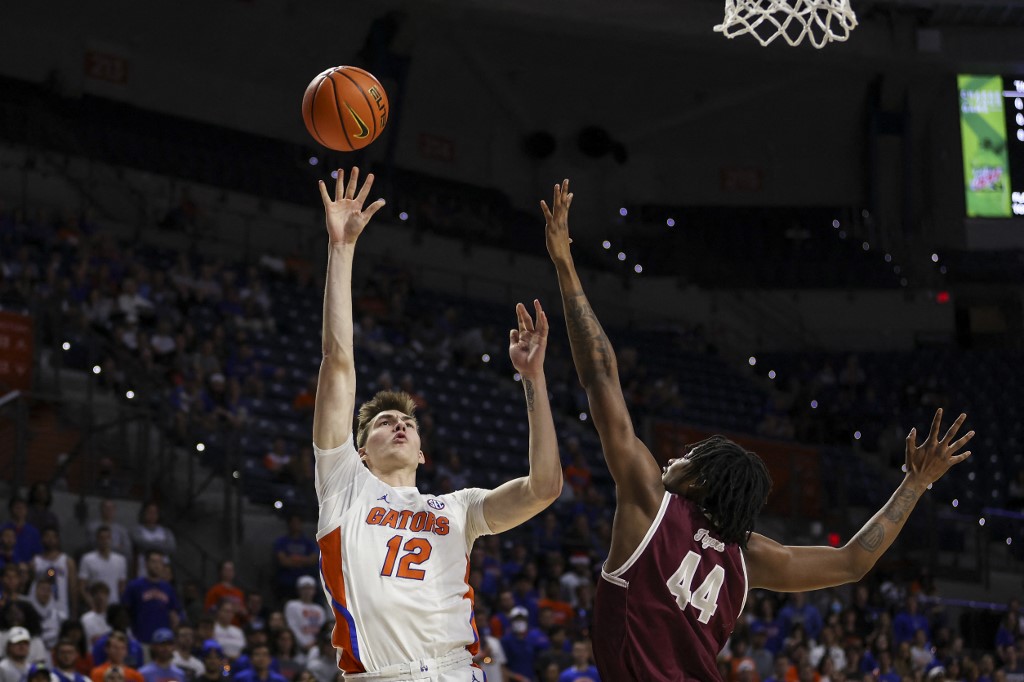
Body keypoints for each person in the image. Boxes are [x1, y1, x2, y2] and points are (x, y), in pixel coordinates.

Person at [539, 179, 976, 682]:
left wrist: (566, 267)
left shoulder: (649, 501)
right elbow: (853, 561)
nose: (671, 460)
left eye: (687, 456)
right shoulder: (749, 557)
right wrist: (915, 485)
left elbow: (601, 377)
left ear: (702, 481)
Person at [311, 168, 562, 680]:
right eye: (384, 422)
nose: (400, 426)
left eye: (408, 422)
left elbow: (544, 488)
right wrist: (342, 249)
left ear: (423, 453)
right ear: (359, 452)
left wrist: (532, 378)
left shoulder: (459, 508)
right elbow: (338, 361)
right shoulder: (344, 486)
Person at [121, 551, 182, 644]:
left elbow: (174, 614)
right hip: (140, 639)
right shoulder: (134, 586)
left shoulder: (168, 588)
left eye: (159, 562)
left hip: (163, 642)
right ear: (146, 564)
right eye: (153, 562)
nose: (156, 565)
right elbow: (124, 610)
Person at [79, 527, 128, 608]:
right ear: (97, 540)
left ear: (111, 539)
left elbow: (122, 587)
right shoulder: (87, 559)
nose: (105, 541)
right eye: (102, 538)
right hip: (95, 604)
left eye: (107, 538)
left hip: (114, 606)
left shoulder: (120, 560)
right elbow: (81, 587)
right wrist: (91, 603)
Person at [283, 576, 324, 652]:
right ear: (299, 590)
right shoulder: (292, 606)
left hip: (316, 647)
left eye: (310, 588)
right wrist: (304, 643)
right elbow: (292, 626)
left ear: (314, 590)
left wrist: (317, 643)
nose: (307, 591)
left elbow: (322, 629)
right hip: (298, 648)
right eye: (304, 588)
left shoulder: (319, 609)